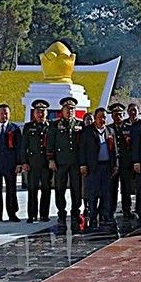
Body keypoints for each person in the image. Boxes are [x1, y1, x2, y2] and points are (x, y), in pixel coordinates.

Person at [47, 97, 84, 231]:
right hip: (60, 162)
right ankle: (61, 213)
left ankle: (75, 212)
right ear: (62, 110)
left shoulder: (80, 124)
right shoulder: (55, 125)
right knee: (60, 188)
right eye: (67, 109)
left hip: (75, 162)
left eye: (72, 109)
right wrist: (51, 159)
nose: (70, 111)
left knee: (76, 188)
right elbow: (50, 143)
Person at [79, 107, 119, 227]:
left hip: (106, 166)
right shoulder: (87, 132)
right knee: (93, 192)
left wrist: (115, 165)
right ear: (95, 118)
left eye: (104, 117)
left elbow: (115, 150)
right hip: (93, 167)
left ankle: (105, 214)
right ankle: (92, 215)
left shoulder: (110, 131)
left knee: (106, 192)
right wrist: (83, 165)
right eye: (100, 117)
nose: (102, 119)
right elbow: (82, 150)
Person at [21, 100, 51, 223]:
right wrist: (24, 162)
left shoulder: (51, 127)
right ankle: (31, 215)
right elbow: (23, 146)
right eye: (38, 112)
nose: (40, 114)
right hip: (33, 163)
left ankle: (44, 214)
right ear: (34, 113)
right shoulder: (28, 127)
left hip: (46, 163)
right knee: (32, 189)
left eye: (43, 112)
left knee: (46, 189)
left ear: (47, 113)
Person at [108, 103, 134, 219]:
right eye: (115, 115)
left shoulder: (129, 127)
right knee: (112, 188)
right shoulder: (109, 129)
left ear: (123, 115)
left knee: (126, 188)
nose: (117, 117)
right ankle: (111, 210)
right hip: (113, 163)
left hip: (126, 163)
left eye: (119, 114)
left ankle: (126, 209)